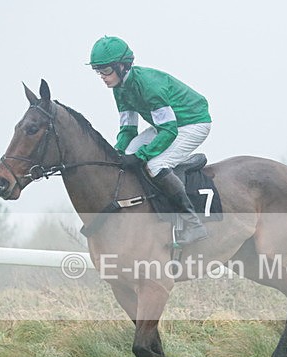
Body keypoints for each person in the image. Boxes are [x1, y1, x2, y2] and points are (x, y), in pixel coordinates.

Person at [88, 36, 211, 244]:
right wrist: (117, 152)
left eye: (106, 70)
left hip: (193, 123)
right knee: (126, 155)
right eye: (98, 71)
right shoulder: (119, 88)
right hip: (167, 125)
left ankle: (193, 224)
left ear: (122, 67)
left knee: (155, 164)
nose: (103, 76)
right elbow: (128, 129)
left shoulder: (148, 87)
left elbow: (169, 130)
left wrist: (142, 155)